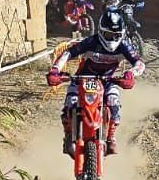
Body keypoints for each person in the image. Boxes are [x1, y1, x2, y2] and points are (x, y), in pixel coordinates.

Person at [46, 9, 143, 157]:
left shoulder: (124, 46)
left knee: (114, 103)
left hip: (108, 81)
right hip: (82, 79)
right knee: (70, 103)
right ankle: (68, 134)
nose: (113, 39)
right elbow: (68, 53)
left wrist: (131, 73)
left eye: (117, 35)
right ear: (101, 32)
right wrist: (55, 70)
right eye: (109, 35)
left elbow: (139, 63)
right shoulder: (91, 42)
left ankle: (110, 137)